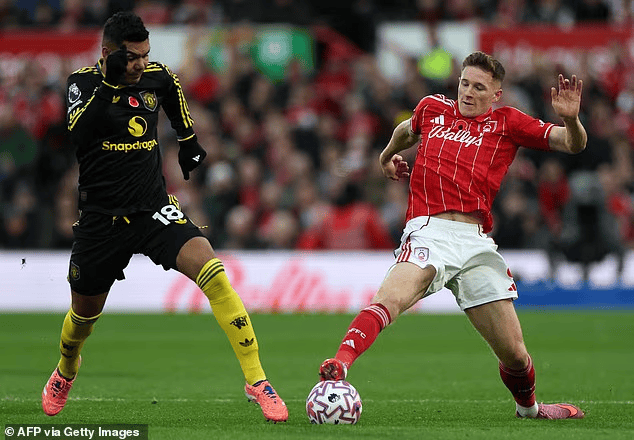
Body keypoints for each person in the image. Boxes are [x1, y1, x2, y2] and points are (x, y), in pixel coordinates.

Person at [41, 11, 287, 423]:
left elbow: (173, 93)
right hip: (101, 219)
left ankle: (257, 380)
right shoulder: (82, 84)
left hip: (152, 208)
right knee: (82, 318)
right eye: (132, 57)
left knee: (214, 273)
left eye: (145, 54)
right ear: (108, 53)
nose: (142, 64)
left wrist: (188, 140)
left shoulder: (156, 76)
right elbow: (79, 136)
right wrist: (110, 85)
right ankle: (66, 370)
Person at [319, 51, 587, 420]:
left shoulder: (508, 122)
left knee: (515, 354)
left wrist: (571, 120)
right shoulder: (432, 108)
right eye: (465, 83)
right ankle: (340, 364)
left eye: (479, 87)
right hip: (429, 230)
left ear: (496, 95)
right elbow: (405, 131)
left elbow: (572, 144)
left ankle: (529, 410)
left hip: (475, 241)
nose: (468, 92)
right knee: (391, 298)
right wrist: (386, 156)